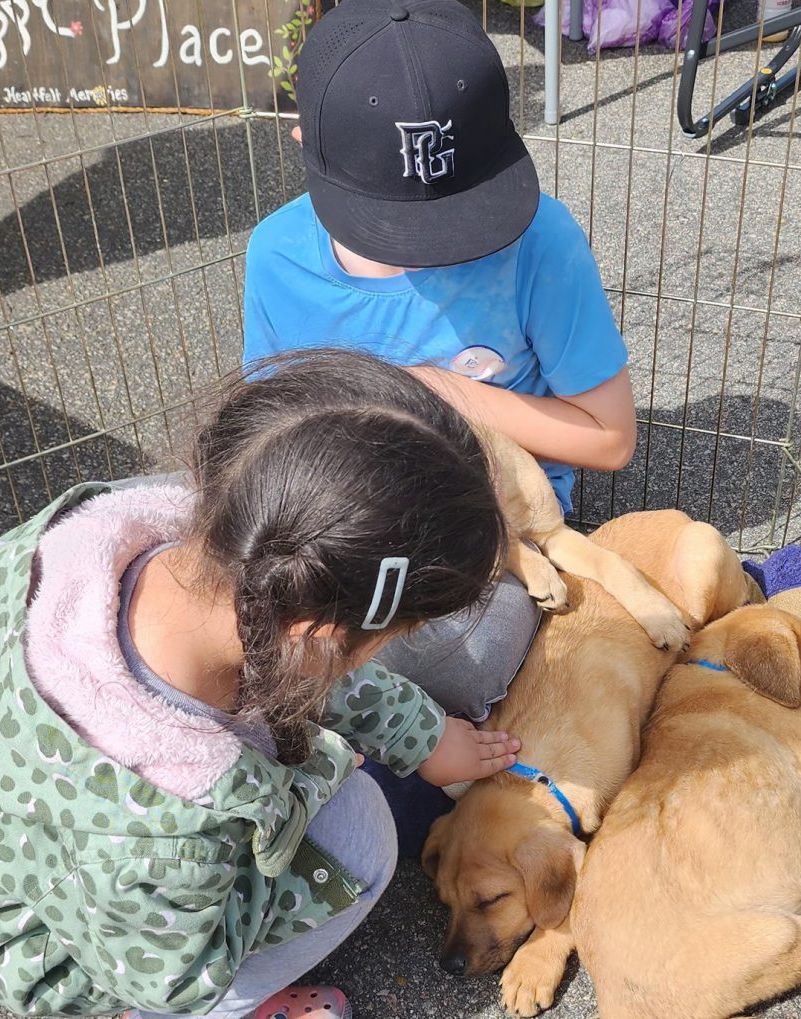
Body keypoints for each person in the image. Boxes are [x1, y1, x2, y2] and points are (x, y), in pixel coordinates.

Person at [0, 350, 519, 1019]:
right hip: (76, 955)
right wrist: (314, 775)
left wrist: (420, 732)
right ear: (318, 636)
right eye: (393, 637)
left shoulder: (127, 544)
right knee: (361, 838)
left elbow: (301, 649)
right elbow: (175, 973)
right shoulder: (162, 833)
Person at [242, 0, 635, 828]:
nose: (430, 248)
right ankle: (361, 716)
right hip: (348, 523)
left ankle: (328, 718)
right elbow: (267, 438)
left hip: (494, 535)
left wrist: (445, 391)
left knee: (464, 649)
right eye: (392, 226)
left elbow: (610, 437)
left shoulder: (539, 239)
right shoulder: (276, 256)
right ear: (302, 144)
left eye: (455, 217)